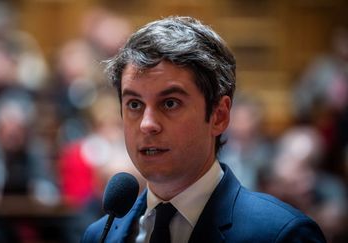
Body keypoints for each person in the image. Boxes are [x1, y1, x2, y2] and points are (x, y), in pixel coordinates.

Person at [81, 16, 326, 243]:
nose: (147, 124)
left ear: (219, 115)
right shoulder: (99, 235)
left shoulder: (282, 234)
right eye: (134, 104)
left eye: (170, 103)